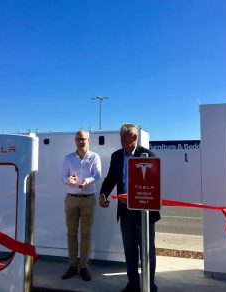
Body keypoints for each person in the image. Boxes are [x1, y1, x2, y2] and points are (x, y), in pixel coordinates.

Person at [99, 123, 160, 292]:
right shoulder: (117, 156)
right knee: (130, 249)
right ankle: (133, 283)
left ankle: (150, 284)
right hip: (125, 212)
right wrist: (103, 194)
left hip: (145, 213)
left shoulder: (147, 155)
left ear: (134, 137)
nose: (121, 140)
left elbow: (152, 185)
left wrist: (133, 198)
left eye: (124, 137)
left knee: (147, 250)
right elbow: (111, 178)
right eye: (120, 136)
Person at [61, 130, 101, 281]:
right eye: (78, 139)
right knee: (71, 233)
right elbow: (63, 176)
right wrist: (68, 180)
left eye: (83, 139)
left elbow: (98, 175)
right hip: (71, 199)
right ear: (75, 141)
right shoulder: (68, 158)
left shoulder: (94, 157)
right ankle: (72, 265)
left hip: (88, 199)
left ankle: (83, 267)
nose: (80, 141)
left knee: (86, 234)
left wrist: (88, 180)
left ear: (88, 140)